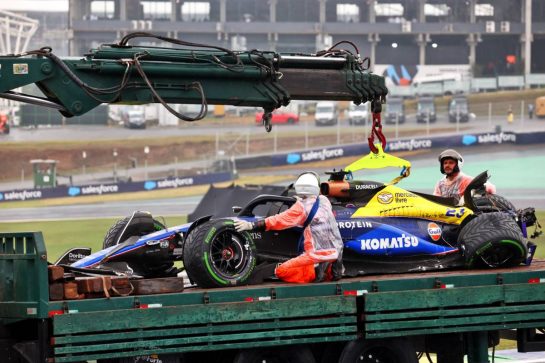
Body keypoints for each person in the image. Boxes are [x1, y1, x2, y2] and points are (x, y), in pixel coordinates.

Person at [234, 172, 343, 284]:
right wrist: (301, 200)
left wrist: (252, 225)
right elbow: (313, 206)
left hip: (315, 258)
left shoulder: (300, 208)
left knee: (282, 270)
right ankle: (330, 269)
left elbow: (278, 220)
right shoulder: (324, 201)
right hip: (335, 253)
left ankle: (314, 273)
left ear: (299, 188)